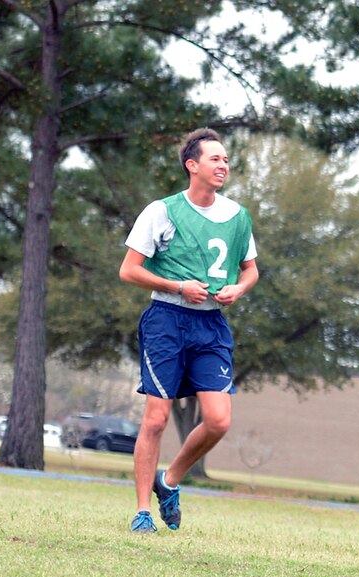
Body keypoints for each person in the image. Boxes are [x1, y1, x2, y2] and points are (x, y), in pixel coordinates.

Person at [118, 128, 259, 533]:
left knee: (219, 420)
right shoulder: (161, 211)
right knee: (157, 418)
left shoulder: (237, 216)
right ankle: (143, 511)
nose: (223, 165)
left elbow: (251, 270)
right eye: (215, 159)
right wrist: (177, 286)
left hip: (212, 324)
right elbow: (129, 270)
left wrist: (239, 287)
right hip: (167, 320)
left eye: (226, 159)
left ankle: (170, 480)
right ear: (191, 165)